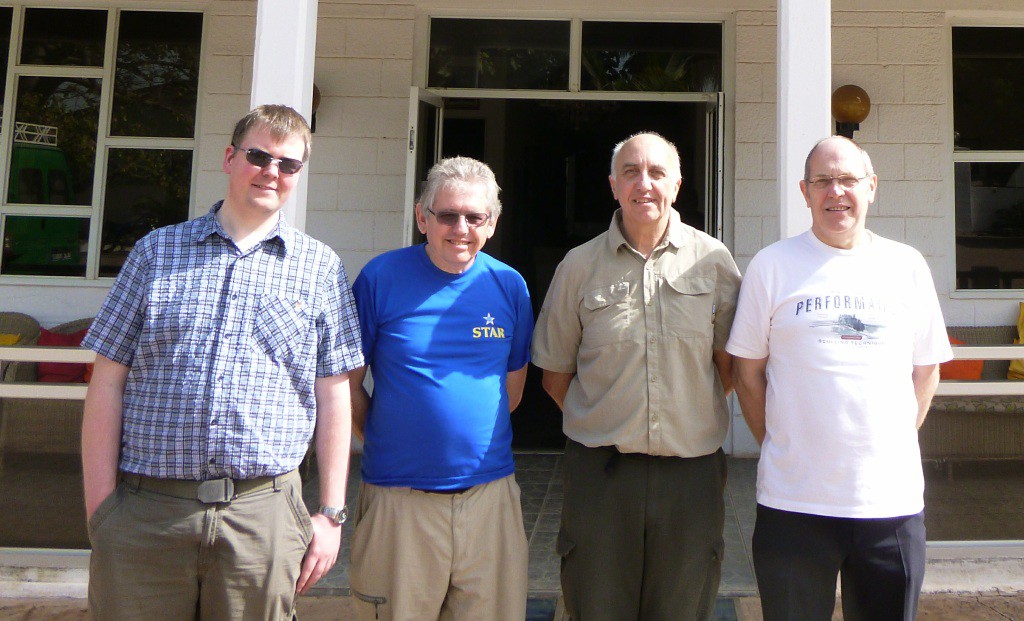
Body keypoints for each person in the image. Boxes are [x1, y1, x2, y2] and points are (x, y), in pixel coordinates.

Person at [81, 104, 364, 620]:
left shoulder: (321, 269)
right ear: (231, 158)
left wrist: (330, 513)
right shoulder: (155, 254)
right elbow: (106, 383)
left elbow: (333, 394)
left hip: (263, 516)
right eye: (258, 156)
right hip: (147, 514)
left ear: (300, 175)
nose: (271, 172)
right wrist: (102, 511)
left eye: (288, 164)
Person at [727, 136, 953, 621]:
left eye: (848, 179)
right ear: (804, 192)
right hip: (793, 505)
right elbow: (747, 373)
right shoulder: (771, 266)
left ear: (871, 188)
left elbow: (927, 367)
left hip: (888, 505)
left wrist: (887, 440)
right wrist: (780, 444)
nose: (837, 192)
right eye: (823, 181)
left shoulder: (907, 266)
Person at [532, 132, 741, 620]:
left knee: (683, 606)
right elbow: (556, 373)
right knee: (596, 604)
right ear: (612, 185)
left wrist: (682, 413)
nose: (643, 183)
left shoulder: (714, 261)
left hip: (691, 472)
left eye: (656, 172)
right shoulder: (579, 266)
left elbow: (727, 368)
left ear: (678, 184)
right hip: (602, 474)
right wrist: (611, 418)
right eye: (630, 171)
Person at [347, 156, 533, 620]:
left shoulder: (510, 286)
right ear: (421, 217)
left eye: (475, 217)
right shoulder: (379, 278)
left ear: (492, 223)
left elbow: (510, 392)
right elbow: (345, 384)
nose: (461, 228)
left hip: (489, 497)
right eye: (447, 214)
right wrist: (391, 440)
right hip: (399, 500)